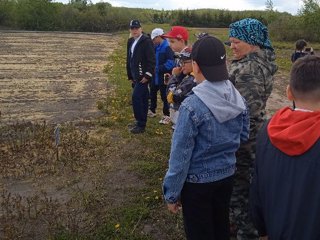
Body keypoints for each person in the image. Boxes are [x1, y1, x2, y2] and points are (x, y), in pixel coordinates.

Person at [163, 35, 249, 240]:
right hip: (227, 176)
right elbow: (243, 135)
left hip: (197, 185)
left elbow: (180, 156)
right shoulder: (238, 98)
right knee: (221, 227)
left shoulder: (192, 105)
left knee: (200, 232)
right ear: (224, 62)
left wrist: (172, 193)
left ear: (196, 66)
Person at [250, 55, 320, 240]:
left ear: (289, 92)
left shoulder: (268, 129)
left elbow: (257, 185)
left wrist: (262, 229)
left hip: (276, 229)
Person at [227, 18, 278, 239]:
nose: (232, 46)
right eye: (230, 42)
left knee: (240, 191)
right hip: (252, 136)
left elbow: (245, 112)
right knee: (247, 186)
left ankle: (245, 232)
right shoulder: (259, 62)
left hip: (243, 141)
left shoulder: (249, 69)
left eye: (236, 41)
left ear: (251, 41)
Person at [126, 20, 155, 134]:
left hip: (143, 76)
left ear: (141, 28)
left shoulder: (146, 41)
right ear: (130, 30)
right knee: (143, 98)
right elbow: (129, 59)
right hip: (135, 76)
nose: (134, 30)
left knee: (136, 97)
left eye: (136, 28)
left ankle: (140, 124)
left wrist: (148, 75)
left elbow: (152, 60)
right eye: (132, 28)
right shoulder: (130, 41)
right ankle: (141, 122)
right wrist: (130, 74)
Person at [162, 26, 189, 128]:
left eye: (172, 41)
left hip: (181, 102)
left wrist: (174, 77)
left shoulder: (187, 59)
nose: (169, 44)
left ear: (181, 40)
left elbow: (186, 82)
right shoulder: (180, 55)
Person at [149, 28, 175, 125]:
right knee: (152, 92)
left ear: (159, 37)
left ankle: (167, 115)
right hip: (154, 76)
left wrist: (158, 68)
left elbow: (171, 63)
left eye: (154, 39)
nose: (153, 41)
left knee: (165, 96)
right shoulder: (156, 46)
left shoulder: (167, 47)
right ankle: (152, 110)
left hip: (164, 76)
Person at [166, 47, 196, 127]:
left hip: (183, 122)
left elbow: (172, 97)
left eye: (184, 62)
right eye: (180, 62)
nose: (181, 66)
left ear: (194, 62)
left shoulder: (192, 80)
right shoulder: (189, 76)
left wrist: (175, 77)